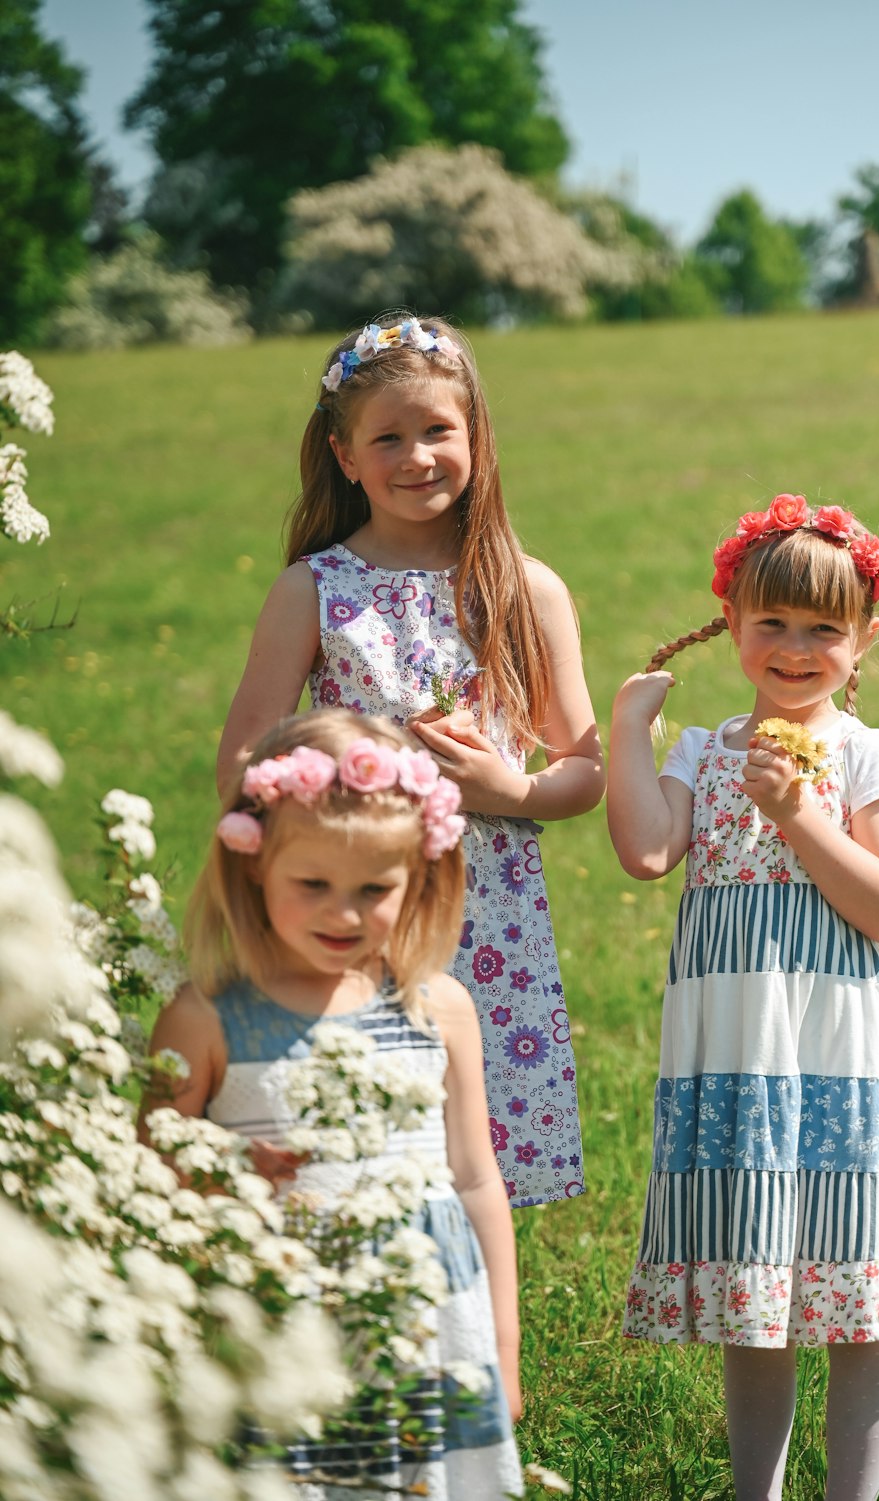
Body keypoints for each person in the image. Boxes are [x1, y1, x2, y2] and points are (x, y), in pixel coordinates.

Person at [607, 495, 879, 1501]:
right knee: (753, 1290)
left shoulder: (866, 752)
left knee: (859, 1296)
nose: (795, 647)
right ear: (730, 621)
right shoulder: (705, 749)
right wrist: (629, 734)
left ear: (863, 641)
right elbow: (646, 852)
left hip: (838, 1048)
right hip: (735, 1050)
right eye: (771, 622)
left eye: (825, 628)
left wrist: (802, 816)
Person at [217, 314, 605, 1208]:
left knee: (471, 1159)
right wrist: (295, 831)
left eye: (438, 430)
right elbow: (244, 753)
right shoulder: (313, 588)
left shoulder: (521, 587)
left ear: (476, 435)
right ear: (344, 456)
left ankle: (469, 1325)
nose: (416, 455)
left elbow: (582, 765)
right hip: (351, 893)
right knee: (352, 1138)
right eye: (386, 437)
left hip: (489, 913)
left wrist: (513, 788)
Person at [146, 707, 523, 1498]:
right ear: (254, 864)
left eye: (374, 889)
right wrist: (224, 1169)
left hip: (427, 1329)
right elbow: (148, 1178)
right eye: (312, 883)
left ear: (420, 873)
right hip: (282, 1333)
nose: (343, 914)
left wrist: (502, 1347)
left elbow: (476, 1179)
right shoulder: (207, 1018)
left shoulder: (438, 1008)